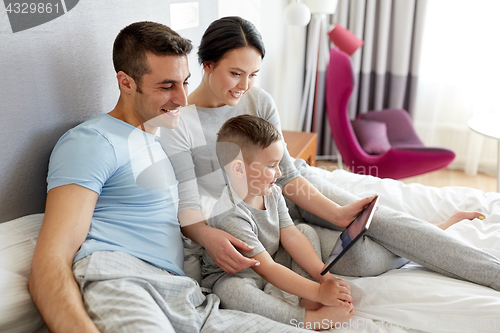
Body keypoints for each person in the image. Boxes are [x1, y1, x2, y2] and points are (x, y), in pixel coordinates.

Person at [161, 16, 500, 292]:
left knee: (381, 220)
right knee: (361, 260)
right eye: (235, 73)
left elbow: (289, 174)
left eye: (252, 74)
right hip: (258, 220)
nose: (244, 85)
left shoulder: (258, 100)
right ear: (206, 64)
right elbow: (188, 205)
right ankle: (432, 234)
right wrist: (208, 236)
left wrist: (338, 213)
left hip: (291, 192)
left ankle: (491, 272)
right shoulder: (180, 124)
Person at [28, 21, 308, 333]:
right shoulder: (92, 141)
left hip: (186, 294)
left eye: (185, 83)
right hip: (125, 279)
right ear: (126, 83)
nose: (183, 100)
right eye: (166, 86)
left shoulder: (158, 138)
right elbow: (49, 262)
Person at [202, 114, 354, 329]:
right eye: (272, 165)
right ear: (238, 169)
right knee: (231, 292)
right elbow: (266, 269)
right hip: (242, 274)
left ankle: (307, 299)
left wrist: (324, 277)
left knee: (304, 231)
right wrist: (320, 292)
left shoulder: (272, 192)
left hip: (271, 257)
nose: (280, 172)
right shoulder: (230, 214)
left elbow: (290, 235)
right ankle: (307, 319)